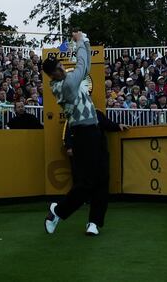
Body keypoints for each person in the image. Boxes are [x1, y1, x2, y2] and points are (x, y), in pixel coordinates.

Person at [42, 30, 109, 236]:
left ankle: (94, 222)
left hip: (95, 131)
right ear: (52, 75)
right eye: (59, 68)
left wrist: (86, 43)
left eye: (61, 66)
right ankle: (58, 212)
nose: (62, 68)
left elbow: (86, 66)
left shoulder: (68, 79)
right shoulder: (66, 85)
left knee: (102, 178)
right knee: (87, 182)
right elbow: (80, 66)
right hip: (83, 135)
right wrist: (79, 41)